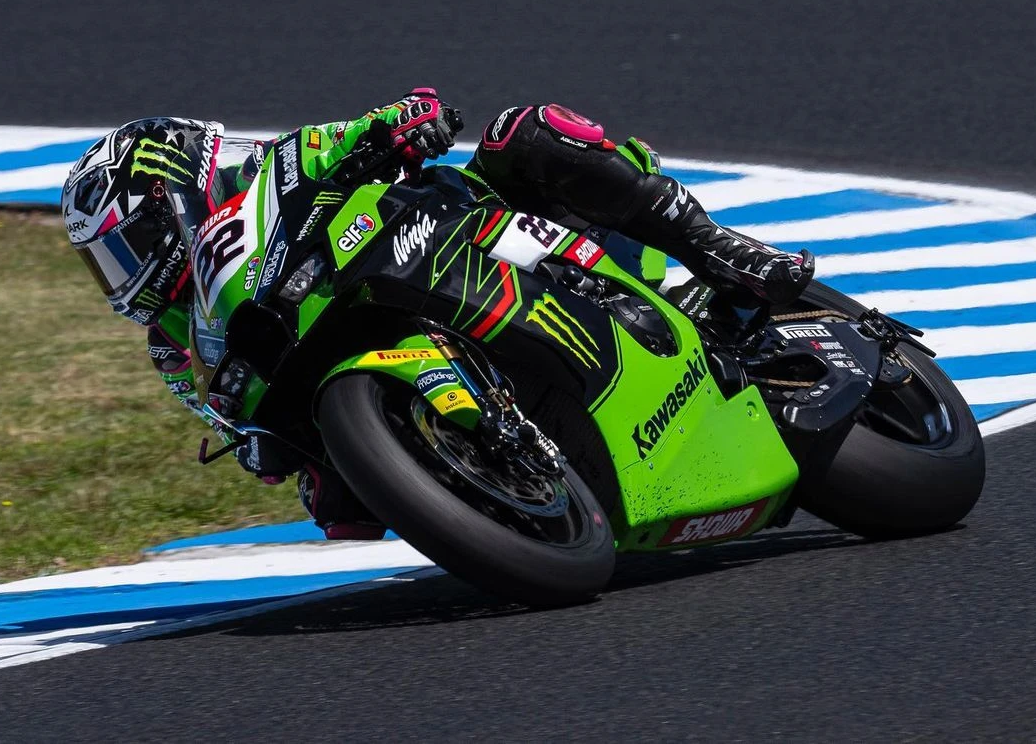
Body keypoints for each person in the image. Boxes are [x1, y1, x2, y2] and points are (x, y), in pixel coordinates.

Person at [61, 89, 814, 539]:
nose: (125, 275)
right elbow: (234, 424)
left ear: (171, 197)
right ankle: (506, 467)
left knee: (527, 131)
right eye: (108, 264)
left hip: (472, 237)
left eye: (128, 247)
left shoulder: (268, 166)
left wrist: (405, 122)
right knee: (339, 510)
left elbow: (373, 126)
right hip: (352, 352)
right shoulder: (172, 343)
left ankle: (718, 250)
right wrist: (270, 447)